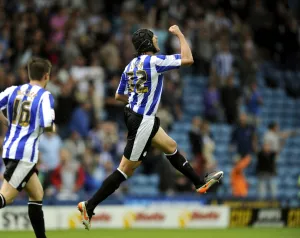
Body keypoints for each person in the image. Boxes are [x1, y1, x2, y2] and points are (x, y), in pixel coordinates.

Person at [78, 25, 223, 230]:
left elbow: (119, 96)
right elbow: (188, 59)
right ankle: (89, 205)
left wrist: (137, 99)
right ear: (147, 43)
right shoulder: (154, 62)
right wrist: (180, 34)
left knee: (170, 146)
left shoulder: (129, 66)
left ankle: (199, 182)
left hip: (137, 116)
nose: (157, 41)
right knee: (125, 170)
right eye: (155, 39)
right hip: (143, 119)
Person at [0, 57, 55, 238]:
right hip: (24, 154)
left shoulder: (13, 90)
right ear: (46, 76)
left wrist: (7, 121)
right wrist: (51, 127)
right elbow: (48, 124)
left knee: (37, 193)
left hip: (10, 149)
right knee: (5, 198)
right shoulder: (44, 96)